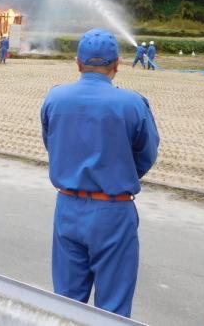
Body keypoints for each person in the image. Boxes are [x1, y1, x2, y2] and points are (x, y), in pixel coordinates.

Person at [41, 28, 159, 318]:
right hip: (113, 209)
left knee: (67, 304)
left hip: (67, 206)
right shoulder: (132, 103)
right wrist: (118, 172)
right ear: (116, 65)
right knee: (113, 308)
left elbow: (51, 143)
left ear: (78, 63)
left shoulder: (55, 98)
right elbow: (147, 154)